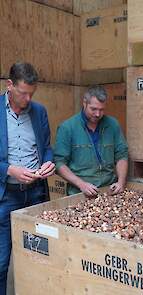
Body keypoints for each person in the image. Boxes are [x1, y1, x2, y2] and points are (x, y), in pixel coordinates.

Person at [0, 62, 55, 294]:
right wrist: (9, 170)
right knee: (1, 263)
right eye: (23, 93)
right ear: (9, 85)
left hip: (36, 195)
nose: (28, 99)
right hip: (6, 197)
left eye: (32, 94)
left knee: (39, 259)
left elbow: (47, 148)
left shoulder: (39, 111)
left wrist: (48, 163)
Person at [54, 86, 128, 197]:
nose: (98, 114)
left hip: (109, 190)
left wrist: (121, 182)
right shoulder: (67, 128)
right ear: (84, 103)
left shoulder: (113, 125)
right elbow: (59, 163)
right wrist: (81, 184)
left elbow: (122, 155)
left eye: (102, 109)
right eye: (93, 109)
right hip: (79, 193)